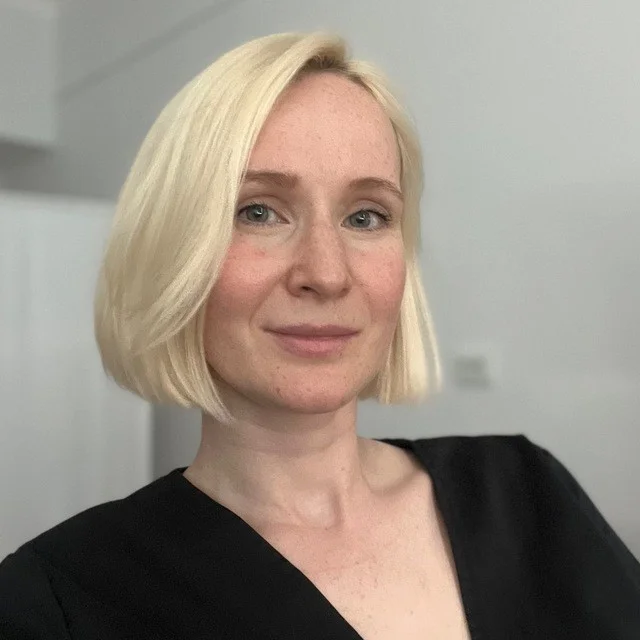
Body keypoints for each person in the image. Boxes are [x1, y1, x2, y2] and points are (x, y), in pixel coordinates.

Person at [0, 31, 639, 640]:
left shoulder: (524, 491)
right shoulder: (59, 600)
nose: (327, 275)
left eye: (366, 217)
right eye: (258, 211)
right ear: (173, 249)